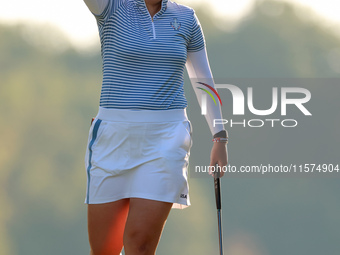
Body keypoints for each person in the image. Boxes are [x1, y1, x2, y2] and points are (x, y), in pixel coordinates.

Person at [82, 0, 228, 254]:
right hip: (113, 138)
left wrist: (220, 136)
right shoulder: (109, 7)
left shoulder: (186, 18)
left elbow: (203, 81)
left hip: (166, 139)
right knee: (105, 249)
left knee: (140, 245)